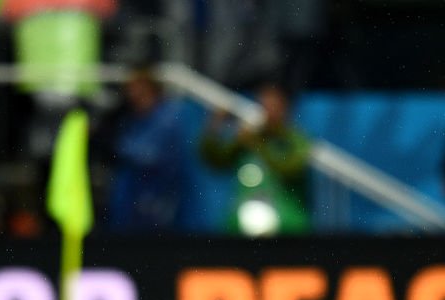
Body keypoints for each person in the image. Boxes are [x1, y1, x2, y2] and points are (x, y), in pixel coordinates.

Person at [200, 83, 311, 235]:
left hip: (287, 223)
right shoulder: (250, 138)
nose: (269, 110)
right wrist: (214, 127)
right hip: (244, 222)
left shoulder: (295, 139)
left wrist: (256, 143)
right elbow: (216, 160)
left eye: (274, 105)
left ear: (285, 108)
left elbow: (290, 167)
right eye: (264, 104)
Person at [108, 69, 184, 233]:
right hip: (132, 199)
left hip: (159, 195)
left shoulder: (169, 116)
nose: (133, 95)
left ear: (151, 89)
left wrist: (118, 145)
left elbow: (149, 154)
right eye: (130, 90)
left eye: (139, 90)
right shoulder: (131, 117)